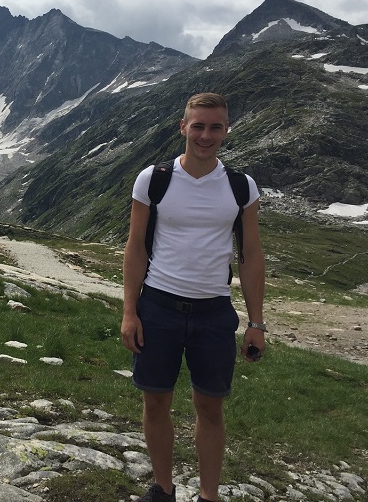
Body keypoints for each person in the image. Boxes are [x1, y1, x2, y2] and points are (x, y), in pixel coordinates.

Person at [120, 92, 266, 502]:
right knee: (155, 404)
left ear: (226, 130)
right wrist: (130, 311)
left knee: (211, 408)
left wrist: (256, 324)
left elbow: (252, 254)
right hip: (159, 306)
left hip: (214, 313)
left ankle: (208, 495)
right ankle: (162, 489)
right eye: (198, 126)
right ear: (183, 127)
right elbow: (136, 247)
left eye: (215, 126)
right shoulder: (154, 179)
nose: (206, 135)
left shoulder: (241, 187)